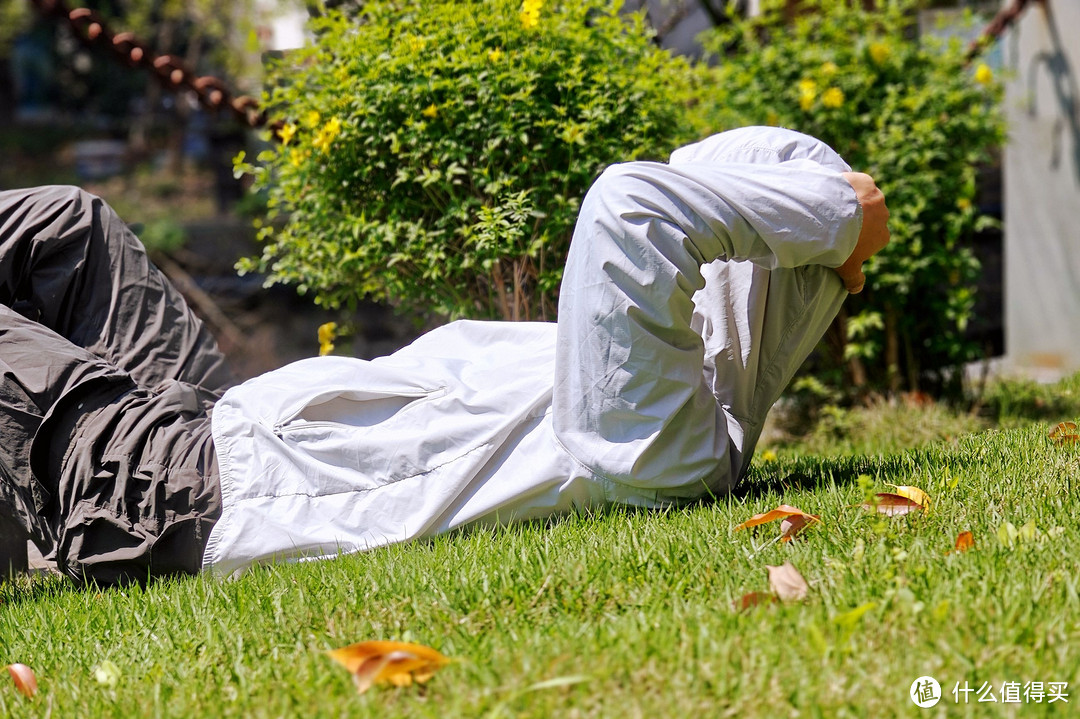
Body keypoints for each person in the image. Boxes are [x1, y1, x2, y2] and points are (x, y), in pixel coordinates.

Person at [0, 126, 888, 584]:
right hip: (220, 427)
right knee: (69, 227)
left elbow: (634, 208)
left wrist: (845, 218)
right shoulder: (658, 382)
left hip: (167, 494)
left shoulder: (663, 442)